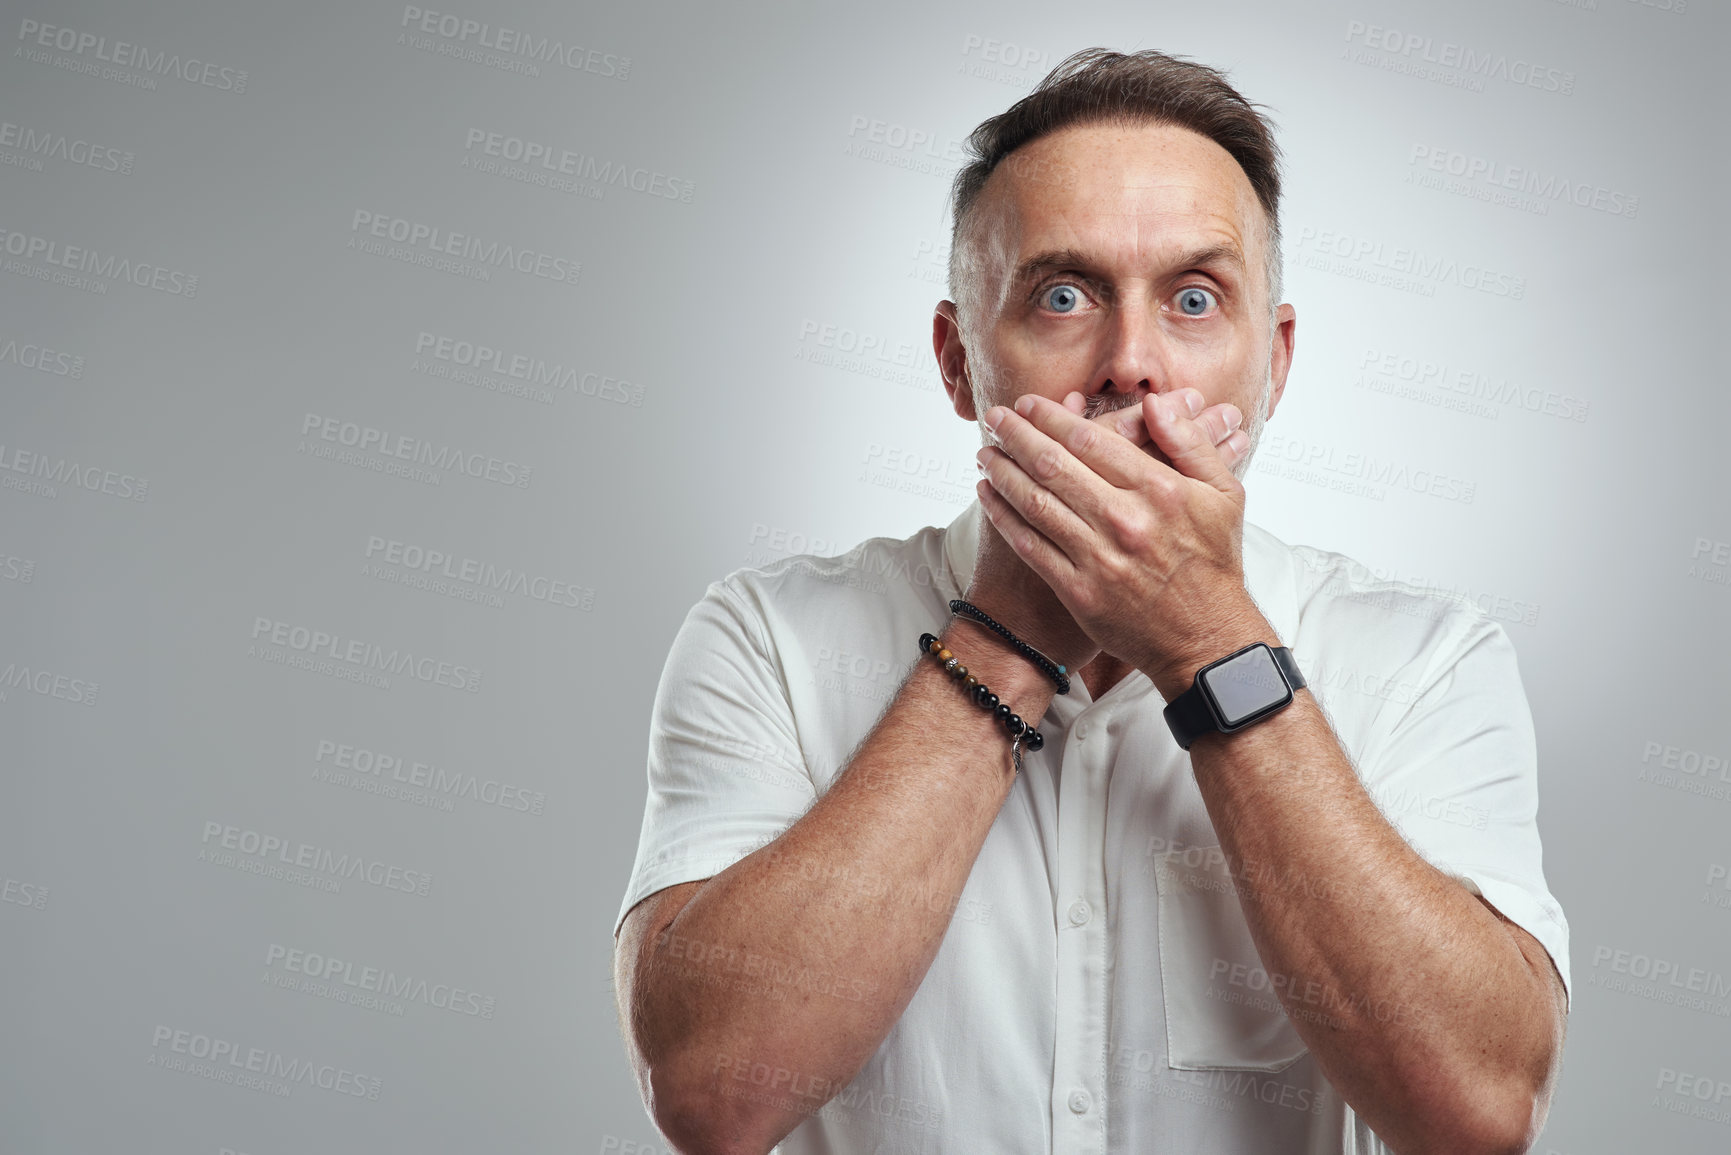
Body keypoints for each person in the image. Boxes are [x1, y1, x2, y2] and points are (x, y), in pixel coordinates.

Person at [612, 47, 1569, 1155]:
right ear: (959, 362)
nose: (1131, 364)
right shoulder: (768, 640)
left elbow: (1479, 1116)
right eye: (1063, 296)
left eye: (1196, 299)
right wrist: (1010, 635)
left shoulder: (1425, 662)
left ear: (1276, 363)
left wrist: (1209, 639)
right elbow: (709, 1097)